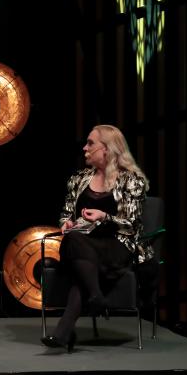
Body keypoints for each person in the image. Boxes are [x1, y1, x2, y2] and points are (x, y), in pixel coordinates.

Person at [41, 124, 150, 352]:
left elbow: (133, 225)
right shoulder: (78, 178)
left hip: (116, 246)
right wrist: (66, 224)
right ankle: (97, 297)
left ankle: (63, 333)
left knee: (79, 265)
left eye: (91, 143)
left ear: (107, 149)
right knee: (73, 239)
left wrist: (104, 217)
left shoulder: (132, 180)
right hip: (82, 246)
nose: (85, 148)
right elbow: (65, 214)